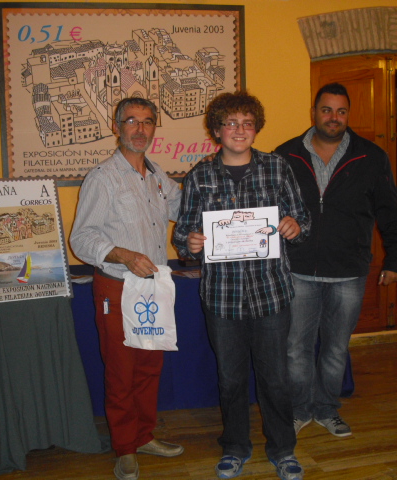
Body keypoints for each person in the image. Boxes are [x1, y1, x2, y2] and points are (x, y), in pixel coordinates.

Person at [173, 91, 311, 480]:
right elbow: (183, 235)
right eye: (231, 123)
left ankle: (283, 449)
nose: (239, 130)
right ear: (217, 129)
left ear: (256, 128)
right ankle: (235, 447)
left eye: (247, 123)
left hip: (271, 293)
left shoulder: (277, 168)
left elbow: (302, 219)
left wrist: (295, 227)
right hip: (222, 298)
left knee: (275, 379)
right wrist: (190, 244)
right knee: (231, 379)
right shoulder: (200, 175)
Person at [274, 83, 397, 438]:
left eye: (341, 111)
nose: (333, 117)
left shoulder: (371, 157)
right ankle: (299, 409)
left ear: (348, 114)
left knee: (336, 349)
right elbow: (266, 205)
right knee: (296, 348)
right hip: (298, 270)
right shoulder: (285, 155)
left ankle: (326, 409)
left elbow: (390, 211)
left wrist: (396, 259)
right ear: (313, 112)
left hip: (349, 272)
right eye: (326, 110)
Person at [70, 97, 184, 480]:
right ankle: (125, 449)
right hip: (117, 288)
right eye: (131, 121)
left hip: (154, 288)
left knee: (149, 369)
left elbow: (184, 208)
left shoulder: (157, 175)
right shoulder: (103, 177)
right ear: (116, 127)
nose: (140, 129)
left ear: (154, 128)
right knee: (121, 372)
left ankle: (143, 436)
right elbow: (82, 238)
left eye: (147, 121)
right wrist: (123, 254)